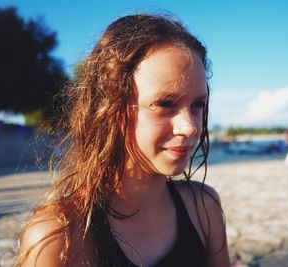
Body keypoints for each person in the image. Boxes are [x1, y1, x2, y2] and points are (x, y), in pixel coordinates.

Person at [15, 14, 230, 267]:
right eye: (164, 103)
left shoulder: (203, 208)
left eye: (197, 105)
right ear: (108, 107)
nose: (191, 127)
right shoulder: (60, 236)